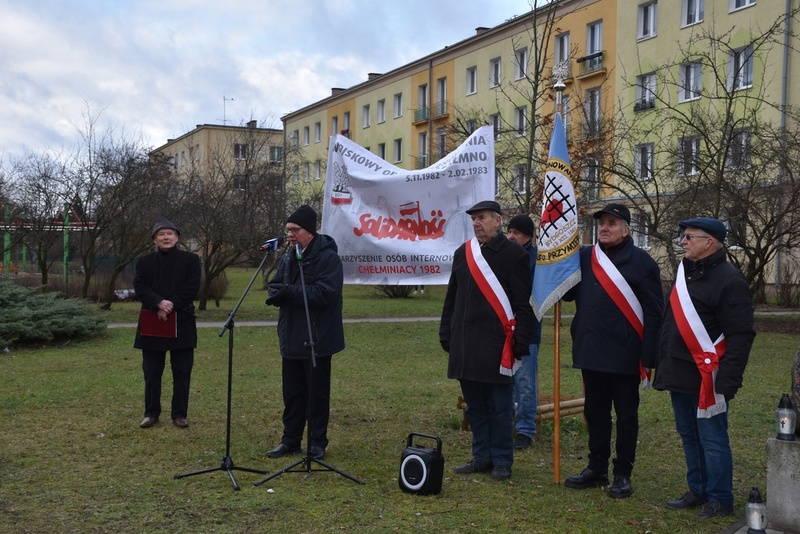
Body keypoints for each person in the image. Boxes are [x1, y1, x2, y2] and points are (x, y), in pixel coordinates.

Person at [654, 217, 755, 519]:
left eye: (689, 237)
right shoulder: (686, 273)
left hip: (710, 378)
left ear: (709, 242)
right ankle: (697, 490)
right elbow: (669, 322)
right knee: (688, 434)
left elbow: (741, 335)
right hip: (680, 372)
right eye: (683, 236)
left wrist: (729, 379)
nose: (683, 242)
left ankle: (720, 499)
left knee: (712, 438)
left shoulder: (730, 280)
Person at [563, 203, 663, 498]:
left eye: (611, 223)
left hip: (625, 353)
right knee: (595, 412)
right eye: (601, 223)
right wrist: (555, 264)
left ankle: (622, 473)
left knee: (626, 416)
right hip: (591, 348)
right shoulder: (584, 258)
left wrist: (648, 356)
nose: (604, 228)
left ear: (626, 229)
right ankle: (596, 468)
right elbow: (567, 294)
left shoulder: (642, 262)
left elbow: (655, 313)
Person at [439, 200, 534, 481]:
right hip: (466, 344)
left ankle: (503, 460)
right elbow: (451, 299)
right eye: (474, 219)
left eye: (482, 218)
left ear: (498, 220)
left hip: (496, 345)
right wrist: (446, 333)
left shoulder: (514, 255)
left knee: (500, 407)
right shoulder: (463, 254)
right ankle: (482, 456)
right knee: (475, 406)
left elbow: (523, 304)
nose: (477, 223)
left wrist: (520, 343)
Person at [265, 205, 344, 461]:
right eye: (287, 229)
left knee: (317, 394)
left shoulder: (327, 258)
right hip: (290, 337)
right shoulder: (289, 256)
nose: (289, 234)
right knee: (293, 393)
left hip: (316, 338)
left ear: (309, 231)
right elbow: (277, 283)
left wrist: (289, 292)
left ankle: (317, 442)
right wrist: (277, 293)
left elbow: (325, 293)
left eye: (294, 230)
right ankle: (290, 440)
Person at [134, 216, 201, 429]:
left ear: (177, 237)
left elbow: (192, 288)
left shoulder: (190, 260)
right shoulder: (144, 262)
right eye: (161, 234)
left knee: (182, 372)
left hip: (182, 322)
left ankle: (180, 414)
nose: (166, 237)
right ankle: (151, 413)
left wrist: (170, 304)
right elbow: (140, 287)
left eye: (169, 233)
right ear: (154, 239)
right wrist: (158, 303)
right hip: (152, 323)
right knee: (152, 372)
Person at [506, 214, 543, 449]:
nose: (511, 236)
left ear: (528, 237)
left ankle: (526, 430)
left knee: (525, 382)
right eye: (509, 231)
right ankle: (504, 424)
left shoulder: (538, 262)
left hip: (528, 330)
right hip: (503, 328)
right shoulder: (502, 256)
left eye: (516, 233)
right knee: (504, 382)